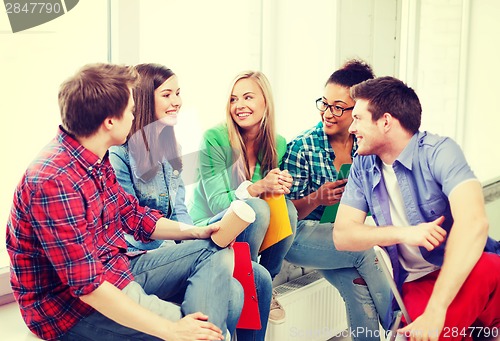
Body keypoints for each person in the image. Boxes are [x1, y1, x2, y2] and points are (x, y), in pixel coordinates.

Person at [6, 63, 243, 341]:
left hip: (116, 270)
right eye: (130, 111)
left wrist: (194, 232)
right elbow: (89, 287)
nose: (134, 117)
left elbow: (132, 215)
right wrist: (173, 330)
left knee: (216, 250)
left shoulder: (94, 155)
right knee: (215, 319)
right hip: (71, 310)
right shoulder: (53, 182)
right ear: (109, 121)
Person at [109, 63, 272, 341]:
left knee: (260, 279)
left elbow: (180, 208)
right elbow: (126, 224)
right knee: (232, 290)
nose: (177, 102)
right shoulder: (118, 154)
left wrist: (187, 240)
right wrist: (186, 244)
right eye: (168, 94)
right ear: (146, 98)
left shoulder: (171, 145)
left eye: (178, 93)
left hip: (178, 243)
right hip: (143, 256)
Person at [334, 76, 500, 341]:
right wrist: (403, 233)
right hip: (417, 284)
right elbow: (342, 235)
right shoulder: (362, 168)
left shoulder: (440, 152)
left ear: (385, 121)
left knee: (492, 266)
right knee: (423, 334)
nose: (351, 127)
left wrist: (437, 310)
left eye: (357, 118)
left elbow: (475, 222)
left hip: (468, 269)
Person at [281, 60, 392, 340]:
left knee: (357, 288)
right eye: (324, 104)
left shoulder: (364, 147)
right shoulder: (303, 146)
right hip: (297, 236)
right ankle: (403, 326)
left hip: (337, 237)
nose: (328, 114)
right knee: (363, 248)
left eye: (339, 107)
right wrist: (318, 198)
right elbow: (282, 217)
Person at [189, 70, 298, 325]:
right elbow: (217, 202)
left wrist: (279, 184)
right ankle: (248, 281)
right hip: (209, 224)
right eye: (233, 99)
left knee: (288, 209)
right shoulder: (214, 138)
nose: (239, 105)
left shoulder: (277, 143)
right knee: (256, 208)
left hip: (248, 232)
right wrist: (259, 187)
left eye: (248, 97)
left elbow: (270, 199)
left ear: (265, 102)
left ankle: (265, 281)